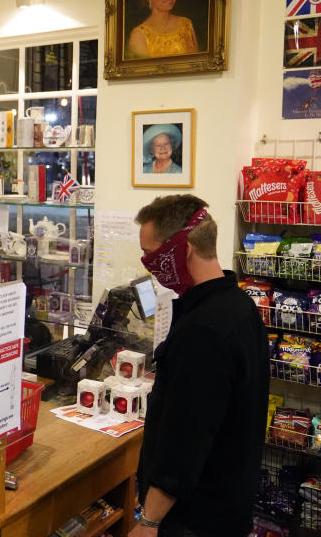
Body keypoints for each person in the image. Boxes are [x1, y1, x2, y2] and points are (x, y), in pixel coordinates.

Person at [131, 195, 268, 536]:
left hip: (191, 520)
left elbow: (185, 445)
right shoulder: (239, 305)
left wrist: (148, 522)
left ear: (183, 249)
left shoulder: (203, 331)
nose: (149, 265)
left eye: (153, 255)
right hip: (227, 507)